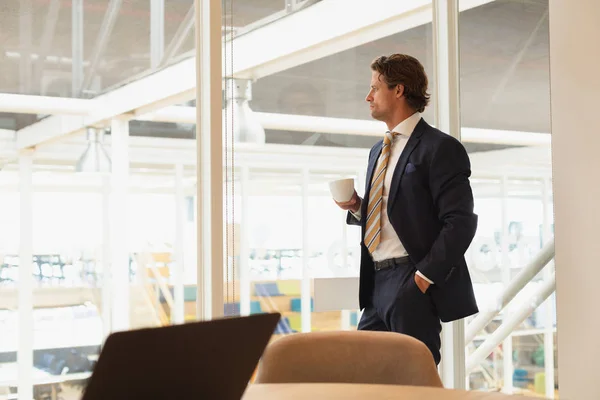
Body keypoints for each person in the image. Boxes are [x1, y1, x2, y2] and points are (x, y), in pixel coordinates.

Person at [335, 54, 478, 364]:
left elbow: (460, 222)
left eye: (375, 87)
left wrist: (423, 278)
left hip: (410, 279)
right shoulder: (378, 150)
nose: (368, 96)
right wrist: (359, 207)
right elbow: (392, 215)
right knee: (363, 371)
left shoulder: (440, 147)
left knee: (414, 379)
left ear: (398, 90)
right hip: (375, 282)